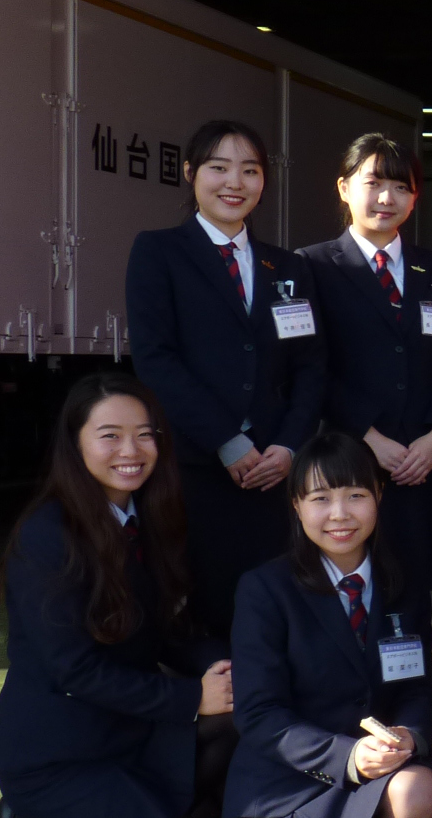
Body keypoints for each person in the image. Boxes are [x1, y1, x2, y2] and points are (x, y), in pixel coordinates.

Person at [0, 374, 233, 818]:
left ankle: (136, 808)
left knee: (243, 710)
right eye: (110, 435)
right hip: (58, 754)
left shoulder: (149, 516)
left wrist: (224, 671)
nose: (132, 450)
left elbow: (168, 628)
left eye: (145, 434)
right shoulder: (47, 534)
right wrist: (192, 696)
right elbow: (73, 671)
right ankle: (37, 816)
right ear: (75, 444)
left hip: (125, 729)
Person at [224, 432, 432, 818]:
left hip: (374, 777)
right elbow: (259, 715)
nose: (339, 514)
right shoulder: (265, 589)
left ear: (378, 498)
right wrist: (345, 757)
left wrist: (410, 735)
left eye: (355, 495)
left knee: (420, 795)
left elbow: (417, 687)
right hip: (289, 786)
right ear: (297, 506)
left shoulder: (402, 582)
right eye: (321, 499)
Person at [125, 120, 325, 639]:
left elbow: (310, 367)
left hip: (273, 473)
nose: (234, 182)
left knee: (272, 606)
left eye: (250, 170)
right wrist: (227, 441)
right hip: (196, 467)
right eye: (219, 167)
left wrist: (286, 446)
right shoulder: (158, 252)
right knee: (199, 604)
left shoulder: (287, 266)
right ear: (190, 173)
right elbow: (155, 359)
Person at [299, 134, 432, 617]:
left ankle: (416, 694)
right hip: (351, 462)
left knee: (414, 604)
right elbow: (311, 365)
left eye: (401, 187)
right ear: (343, 187)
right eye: (374, 182)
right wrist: (368, 436)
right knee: (345, 597)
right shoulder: (311, 266)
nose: (386, 198)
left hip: (424, 466)